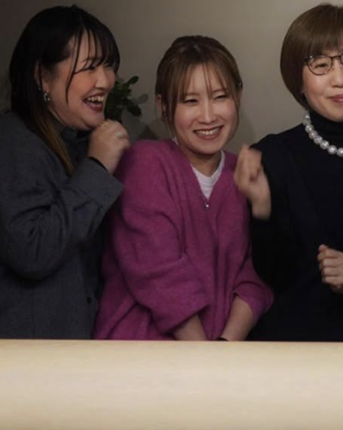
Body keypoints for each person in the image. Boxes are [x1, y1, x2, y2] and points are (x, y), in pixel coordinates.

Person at [234, 3, 343, 342]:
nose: (340, 79)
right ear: (298, 81)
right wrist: (262, 209)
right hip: (295, 352)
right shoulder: (271, 156)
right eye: (320, 64)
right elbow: (272, 276)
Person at [95, 35, 272, 341]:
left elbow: (257, 277)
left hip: (217, 357)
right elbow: (159, 272)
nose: (208, 116)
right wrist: (203, 358)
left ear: (238, 97)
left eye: (220, 97)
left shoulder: (245, 172)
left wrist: (225, 347)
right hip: (138, 353)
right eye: (190, 101)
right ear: (164, 105)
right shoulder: (144, 163)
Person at [0, 5, 130, 339]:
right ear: (43, 76)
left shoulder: (82, 142)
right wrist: (97, 168)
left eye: (108, 65)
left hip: (79, 352)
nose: (105, 80)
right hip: (30, 357)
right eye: (89, 67)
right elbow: (31, 250)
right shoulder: (14, 140)